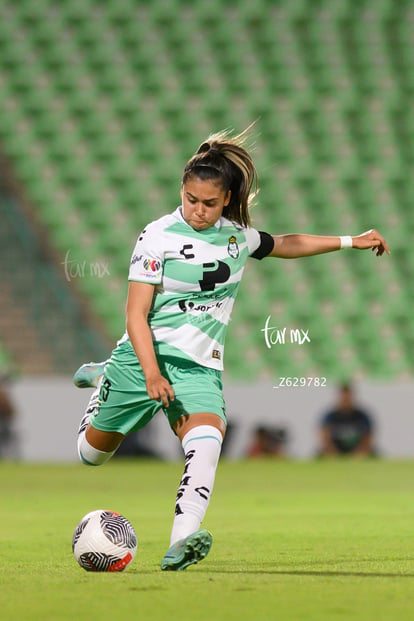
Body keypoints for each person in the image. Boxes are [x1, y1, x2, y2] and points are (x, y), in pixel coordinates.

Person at [74, 128, 390, 571]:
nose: (198, 210)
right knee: (91, 455)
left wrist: (349, 240)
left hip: (198, 368)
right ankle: (106, 377)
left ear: (226, 200)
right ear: (181, 192)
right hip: (141, 358)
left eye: (208, 203)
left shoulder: (237, 237)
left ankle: (180, 542)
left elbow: (285, 243)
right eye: (190, 199)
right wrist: (149, 373)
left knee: (206, 440)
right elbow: (135, 315)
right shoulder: (156, 236)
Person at [319, 383, 375, 457]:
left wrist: (358, 455)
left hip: (358, 455)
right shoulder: (330, 417)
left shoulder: (362, 416)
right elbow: (325, 439)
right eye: (343, 397)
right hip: (335, 454)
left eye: (347, 397)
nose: (345, 400)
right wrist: (335, 456)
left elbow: (368, 439)